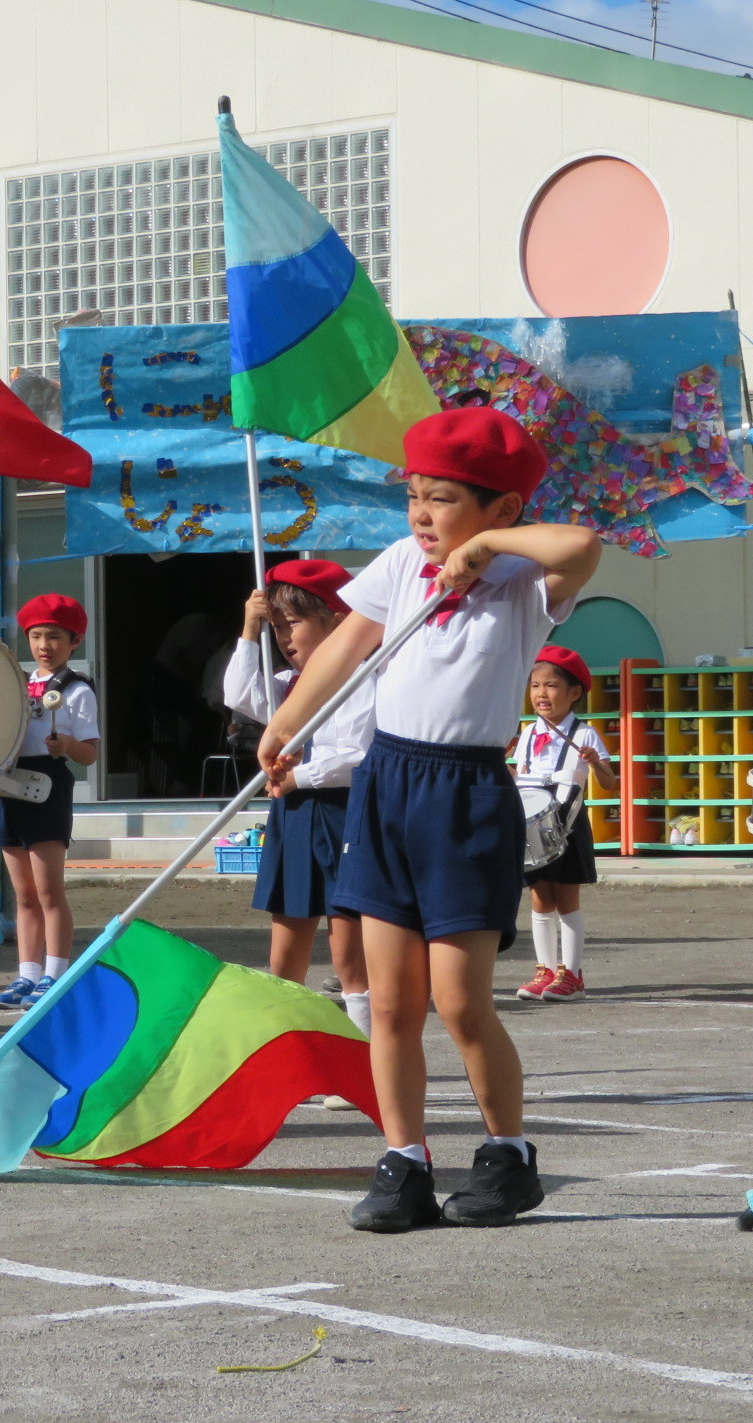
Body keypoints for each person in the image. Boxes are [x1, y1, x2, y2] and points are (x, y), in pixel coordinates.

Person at [260, 405, 600, 1232]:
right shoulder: (400, 567)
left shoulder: (523, 584)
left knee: (459, 1002)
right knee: (392, 1002)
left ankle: (508, 1154)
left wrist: (487, 551)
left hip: (466, 796)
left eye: (443, 498)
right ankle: (405, 1160)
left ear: (501, 509)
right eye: (414, 495)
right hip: (385, 788)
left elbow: (582, 546)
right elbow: (345, 646)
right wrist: (287, 722)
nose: (420, 513)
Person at [220, 563, 374, 1052]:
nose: (285, 637)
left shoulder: (364, 676)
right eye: (278, 626)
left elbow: (361, 754)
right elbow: (240, 695)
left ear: (335, 617)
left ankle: (363, 1055)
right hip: (294, 815)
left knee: (349, 952)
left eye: (295, 623)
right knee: (286, 948)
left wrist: (299, 775)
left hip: (346, 811)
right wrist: (249, 628)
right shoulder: (287, 683)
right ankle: (287, 1054)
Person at [0, 594, 100, 1013]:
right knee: (22, 893)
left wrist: (67, 744)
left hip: (49, 784)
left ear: (75, 642)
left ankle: (55, 972)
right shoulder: (16, 682)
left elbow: (90, 754)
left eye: (54, 636)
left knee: (49, 890)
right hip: (9, 785)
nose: (43, 644)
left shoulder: (77, 689)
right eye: (36, 635)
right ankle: (27, 974)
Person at [514, 645, 617, 1003]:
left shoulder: (585, 734)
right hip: (531, 827)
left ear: (574, 694)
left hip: (568, 825)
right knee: (540, 899)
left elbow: (609, 782)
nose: (541, 694)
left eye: (551, 686)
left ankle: (572, 974)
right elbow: (520, 777)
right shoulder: (527, 733)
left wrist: (596, 763)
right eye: (535, 685)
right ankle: (544, 970)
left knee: (566, 900)